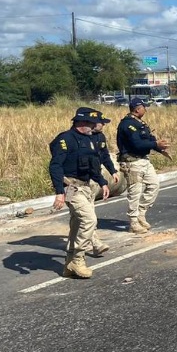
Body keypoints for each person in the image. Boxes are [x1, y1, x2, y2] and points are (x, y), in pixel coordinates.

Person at [49, 107, 110, 279]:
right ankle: (78, 259)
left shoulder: (89, 140)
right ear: (81, 123)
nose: (94, 127)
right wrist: (59, 192)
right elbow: (55, 166)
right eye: (91, 124)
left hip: (85, 187)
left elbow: (93, 164)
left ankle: (68, 266)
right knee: (89, 220)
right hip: (71, 187)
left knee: (77, 225)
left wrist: (102, 182)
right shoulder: (65, 139)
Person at [116, 97, 171, 233]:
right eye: (143, 107)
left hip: (144, 160)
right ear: (137, 109)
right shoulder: (128, 125)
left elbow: (149, 139)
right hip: (132, 162)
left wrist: (160, 149)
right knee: (135, 192)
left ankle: (141, 212)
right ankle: (133, 222)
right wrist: (155, 144)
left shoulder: (140, 123)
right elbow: (137, 144)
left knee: (154, 185)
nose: (145, 109)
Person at [88, 109, 121, 256]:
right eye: (101, 122)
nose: (103, 125)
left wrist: (112, 171)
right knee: (88, 215)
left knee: (82, 216)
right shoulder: (76, 138)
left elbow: (104, 155)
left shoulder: (100, 137)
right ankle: (95, 242)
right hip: (79, 181)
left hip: (95, 177)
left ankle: (75, 243)